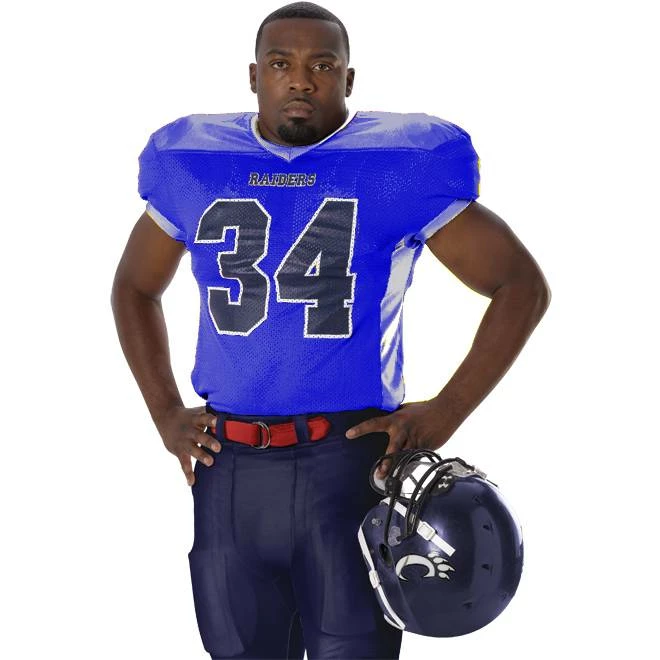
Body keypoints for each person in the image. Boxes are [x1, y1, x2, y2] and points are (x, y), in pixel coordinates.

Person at [110, 2, 550, 658]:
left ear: (348, 78)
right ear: (253, 76)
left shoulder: (399, 165)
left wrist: (447, 411)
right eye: (281, 64)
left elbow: (520, 286)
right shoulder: (194, 161)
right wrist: (165, 412)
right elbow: (134, 287)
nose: (300, 79)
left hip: (347, 462)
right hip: (228, 466)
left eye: (321, 65)